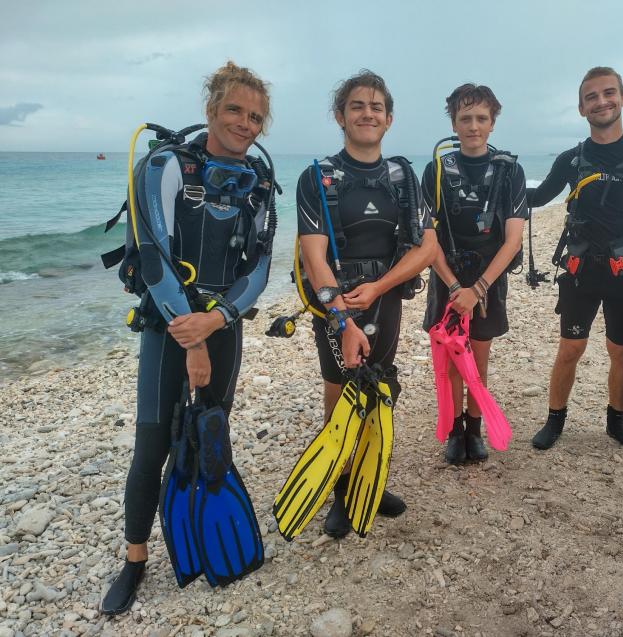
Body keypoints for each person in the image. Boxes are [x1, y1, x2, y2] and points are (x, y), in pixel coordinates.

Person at [101, 61, 274, 614]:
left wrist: (217, 321)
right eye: (235, 110)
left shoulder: (261, 181)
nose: (245, 124)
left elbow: (261, 268)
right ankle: (134, 560)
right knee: (152, 443)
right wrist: (192, 338)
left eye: (255, 117)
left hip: (222, 326)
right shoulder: (166, 165)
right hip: (168, 326)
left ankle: (195, 529)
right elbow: (152, 259)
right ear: (210, 110)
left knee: (209, 430)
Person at [293, 70, 436, 538]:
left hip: (385, 297)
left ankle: (370, 483)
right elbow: (314, 256)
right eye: (357, 106)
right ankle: (340, 487)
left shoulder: (402, 176)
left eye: (376, 107)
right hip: (336, 301)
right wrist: (340, 316)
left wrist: (379, 288)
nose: (367, 113)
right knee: (340, 392)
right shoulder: (317, 177)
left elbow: (427, 248)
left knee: (381, 389)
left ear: (389, 119)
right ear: (341, 116)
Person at [528, 66, 623, 450]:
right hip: (580, 272)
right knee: (570, 349)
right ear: (581, 109)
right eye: (591, 97)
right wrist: (496, 185)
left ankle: (615, 420)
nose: (601, 102)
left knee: (620, 351)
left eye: (608, 93)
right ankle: (555, 419)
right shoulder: (571, 160)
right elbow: (537, 198)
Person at [421, 84, 527, 464]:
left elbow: (513, 239)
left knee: (478, 360)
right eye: (465, 118)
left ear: (493, 123)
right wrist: (454, 287)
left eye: (481, 118)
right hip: (447, 277)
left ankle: (475, 427)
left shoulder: (510, 171)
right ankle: (454, 432)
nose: (473, 126)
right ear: (453, 122)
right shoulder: (435, 171)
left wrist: (478, 289)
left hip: (489, 281)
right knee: (451, 362)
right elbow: (427, 241)